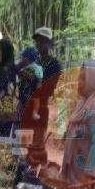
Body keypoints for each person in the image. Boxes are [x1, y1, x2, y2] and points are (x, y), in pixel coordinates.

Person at [28, 26, 63, 165]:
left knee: (37, 144)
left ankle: (37, 170)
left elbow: (49, 88)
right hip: (28, 107)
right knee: (26, 144)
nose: (38, 44)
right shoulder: (34, 61)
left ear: (49, 43)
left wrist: (35, 82)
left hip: (41, 108)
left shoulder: (55, 64)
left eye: (42, 41)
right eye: (37, 41)